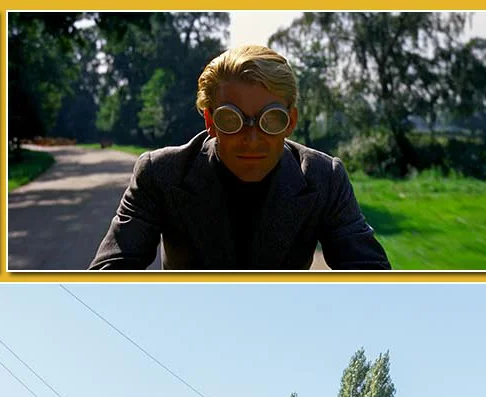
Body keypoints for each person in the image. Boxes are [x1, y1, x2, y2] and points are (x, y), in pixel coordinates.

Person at [89, 45, 390, 271]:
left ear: (291, 121)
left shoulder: (323, 177)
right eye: (231, 119)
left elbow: (369, 274)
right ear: (209, 121)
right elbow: (110, 273)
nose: (252, 137)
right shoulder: (161, 173)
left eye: (270, 119)